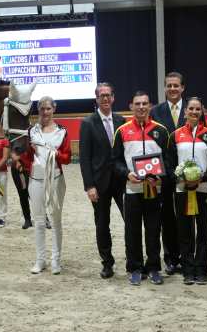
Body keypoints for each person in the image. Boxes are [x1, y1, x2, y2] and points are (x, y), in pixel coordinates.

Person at [113, 91, 169, 286]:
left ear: (150, 106)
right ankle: (135, 268)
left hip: (154, 189)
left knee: (153, 230)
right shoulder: (122, 131)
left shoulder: (161, 131)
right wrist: (126, 174)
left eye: (145, 104)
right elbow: (116, 160)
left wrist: (160, 177)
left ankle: (153, 267)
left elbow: (168, 160)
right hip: (132, 189)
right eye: (137, 104)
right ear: (131, 106)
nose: (141, 107)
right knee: (132, 231)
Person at [169, 97, 207, 285]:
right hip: (182, 190)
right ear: (185, 112)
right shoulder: (175, 135)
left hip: (203, 190)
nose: (194, 112)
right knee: (184, 230)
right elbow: (169, 163)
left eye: (198, 109)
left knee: (203, 231)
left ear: (202, 111)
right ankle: (188, 270)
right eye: (191, 108)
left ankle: (202, 269)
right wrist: (180, 178)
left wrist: (202, 178)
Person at [79, 82, 126, 279]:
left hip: (122, 181)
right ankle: (107, 263)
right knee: (102, 224)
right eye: (101, 96)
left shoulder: (122, 121)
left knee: (130, 222)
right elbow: (84, 157)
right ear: (96, 99)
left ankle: (134, 260)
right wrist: (89, 186)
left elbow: (126, 153)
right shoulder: (88, 123)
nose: (105, 99)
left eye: (108, 95)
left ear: (113, 98)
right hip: (99, 184)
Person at [28, 96, 71, 275]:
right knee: (38, 221)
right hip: (36, 180)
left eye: (48, 109)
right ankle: (40, 260)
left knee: (55, 221)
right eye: (42, 109)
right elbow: (26, 157)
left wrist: (57, 154)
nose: (45, 112)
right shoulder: (31, 131)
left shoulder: (62, 131)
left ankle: (56, 260)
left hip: (55, 179)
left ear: (54, 109)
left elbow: (67, 158)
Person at [150, 71, 185, 275]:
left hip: (186, 173)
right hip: (163, 173)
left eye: (176, 85)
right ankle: (171, 258)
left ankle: (186, 256)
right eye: (169, 85)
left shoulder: (193, 109)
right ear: (165, 88)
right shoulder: (156, 111)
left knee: (186, 216)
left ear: (182, 88)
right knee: (166, 217)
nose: (172, 89)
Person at [10, 149, 33, 229]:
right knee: (23, 195)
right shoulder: (13, 137)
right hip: (19, 169)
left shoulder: (35, 136)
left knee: (37, 194)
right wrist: (16, 161)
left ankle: (44, 218)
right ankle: (27, 219)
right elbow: (11, 148)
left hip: (33, 167)